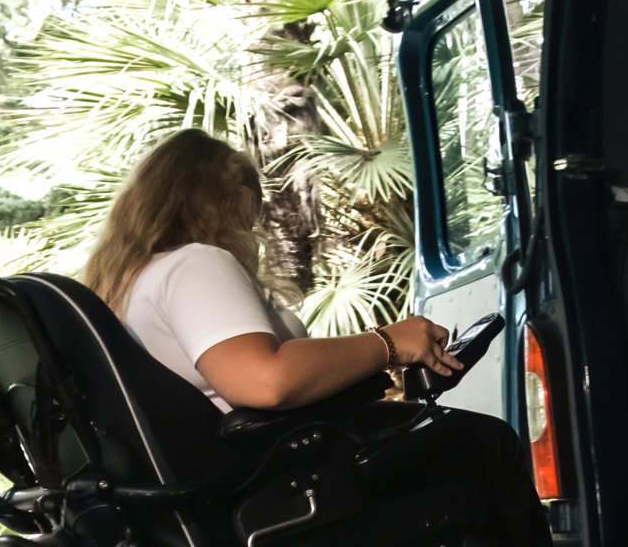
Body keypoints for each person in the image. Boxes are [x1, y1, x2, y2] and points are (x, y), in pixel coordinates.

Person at [80, 129, 550, 545]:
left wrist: (367, 361)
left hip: (232, 479)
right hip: (282, 481)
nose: (252, 222)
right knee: (489, 444)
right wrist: (387, 341)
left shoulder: (126, 287)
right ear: (222, 200)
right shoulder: (195, 263)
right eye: (248, 203)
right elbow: (265, 380)